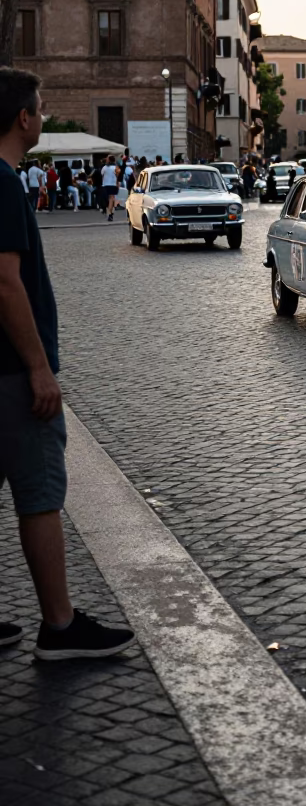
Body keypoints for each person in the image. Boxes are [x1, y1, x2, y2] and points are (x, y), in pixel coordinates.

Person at [0, 67, 135, 659]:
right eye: (39, 106)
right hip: (8, 372)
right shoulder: (3, 183)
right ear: (23, 118)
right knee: (41, 496)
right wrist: (38, 367)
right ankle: (59, 626)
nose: (43, 113)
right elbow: (5, 285)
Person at [100, 155, 119, 221]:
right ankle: (111, 213)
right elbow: (118, 177)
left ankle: (110, 212)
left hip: (105, 185)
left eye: (107, 159)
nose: (106, 160)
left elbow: (102, 175)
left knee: (109, 199)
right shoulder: (116, 167)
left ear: (109, 160)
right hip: (113, 184)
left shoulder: (104, 167)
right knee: (112, 198)